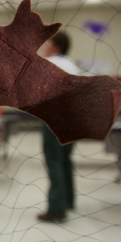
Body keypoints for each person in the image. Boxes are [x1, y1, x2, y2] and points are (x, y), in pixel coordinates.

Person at [37, 31, 80, 222]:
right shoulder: (71, 64)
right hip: (73, 119)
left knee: (54, 160)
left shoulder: (50, 63)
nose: (44, 47)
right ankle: (68, 200)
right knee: (65, 160)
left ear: (57, 47)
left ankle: (56, 209)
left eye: (48, 43)